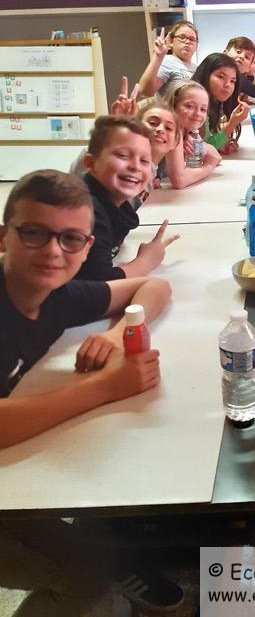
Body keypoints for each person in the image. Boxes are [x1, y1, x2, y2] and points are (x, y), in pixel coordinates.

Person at [0, 169, 183, 615]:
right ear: (4, 237)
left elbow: (153, 286)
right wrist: (104, 387)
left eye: (70, 239)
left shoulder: (56, 295)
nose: (52, 251)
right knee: (88, 566)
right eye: (34, 233)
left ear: (86, 248)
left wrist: (119, 334)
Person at [78, 116, 179, 281]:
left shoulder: (116, 206)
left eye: (144, 160)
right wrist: (147, 261)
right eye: (123, 155)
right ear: (90, 163)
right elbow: (99, 284)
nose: (135, 166)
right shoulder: (85, 210)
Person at [163, 81, 222, 183]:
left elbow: (215, 155)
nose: (197, 113)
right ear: (173, 106)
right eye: (189, 106)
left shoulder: (189, 133)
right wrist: (209, 166)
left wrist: (205, 148)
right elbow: (179, 180)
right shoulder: (172, 131)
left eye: (203, 109)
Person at [191, 53, 249, 154]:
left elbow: (208, 143)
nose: (227, 85)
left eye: (232, 81)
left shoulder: (213, 104)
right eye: (221, 77)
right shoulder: (193, 106)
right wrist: (232, 123)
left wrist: (222, 143)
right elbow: (198, 151)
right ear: (205, 75)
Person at [138, 21, 198, 97]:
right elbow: (145, 91)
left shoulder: (197, 68)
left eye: (192, 39)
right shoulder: (167, 61)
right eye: (182, 37)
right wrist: (158, 56)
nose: (187, 41)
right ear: (171, 42)